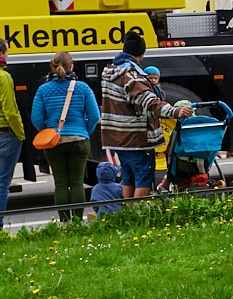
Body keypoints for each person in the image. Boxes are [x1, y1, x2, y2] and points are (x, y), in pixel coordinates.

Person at [100, 31, 191, 199]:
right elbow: (151, 103)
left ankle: (128, 212)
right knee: (143, 179)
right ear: (141, 54)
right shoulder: (132, 77)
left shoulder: (110, 72)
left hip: (117, 137)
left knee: (128, 178)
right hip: (135, 138)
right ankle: (137, 214)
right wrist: (175, 112)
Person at [31, 51, 100, 223]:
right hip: (79, 140)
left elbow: (36, 119)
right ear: (72, 66)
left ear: (52, 68)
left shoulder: (43, 90)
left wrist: (48, 132)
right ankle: (77, 223)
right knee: (77, 182)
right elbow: (94, 116)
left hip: (54, 143)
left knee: (61, 183)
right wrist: (85, 131)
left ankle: (65, 223)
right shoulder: (83, 87)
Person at [0, 38, 25, 230]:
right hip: (5, 135)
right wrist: (20, 133)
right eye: (7, 51)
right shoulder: (4, 77)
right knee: (2, 183)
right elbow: (10, 110)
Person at [143, 65, 172, 190]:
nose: (153, 80)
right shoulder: (146, 90)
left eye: (156, 78)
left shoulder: (159, 90)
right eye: (151, 78)